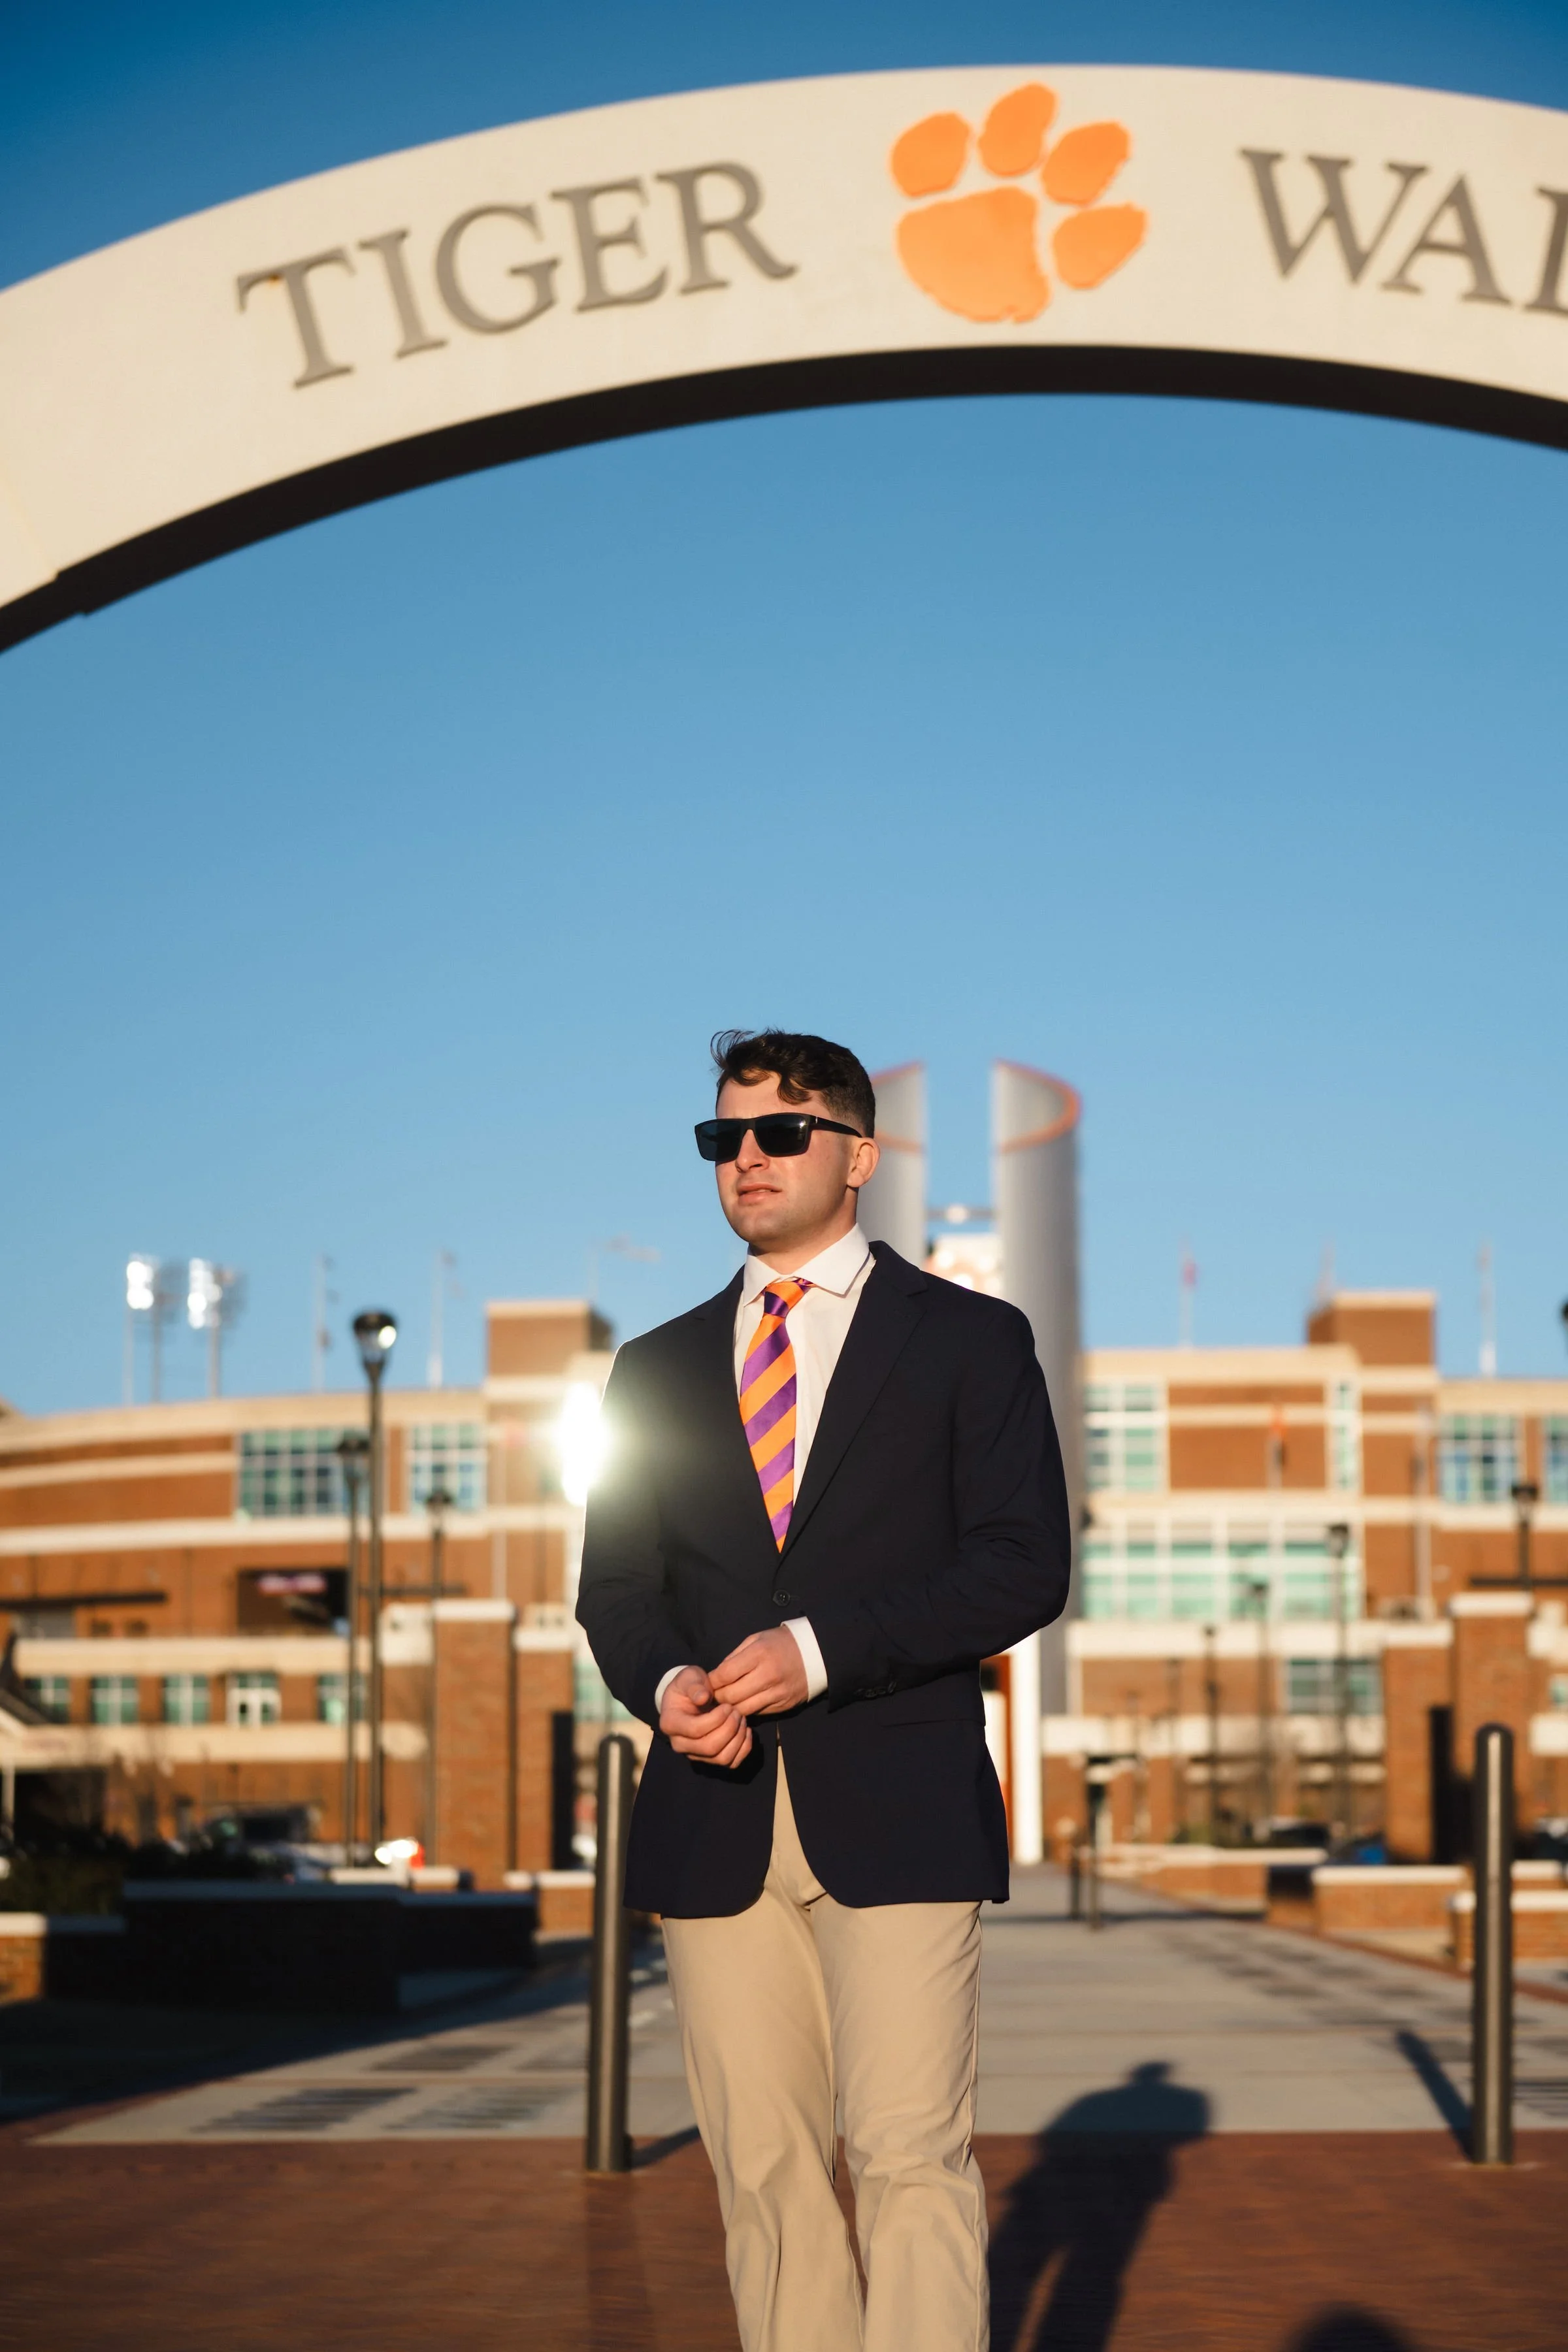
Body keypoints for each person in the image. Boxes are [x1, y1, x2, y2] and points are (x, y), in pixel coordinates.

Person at [577, 1028, 1071, 2352]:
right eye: (723, 1137)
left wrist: (819, 1650)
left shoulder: (969, 1340)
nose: (746, 1157)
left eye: (780, 1131)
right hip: (707, 1814)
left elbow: (1025, 1567)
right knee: (767, 2179)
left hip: (898, 1800)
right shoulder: (658, 1369)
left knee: (910, 2159)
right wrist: (670, 1679)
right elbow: (616, 1591)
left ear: (859, 1153)